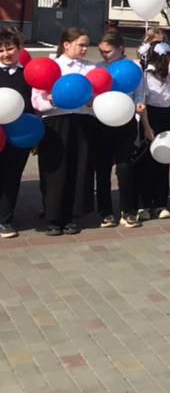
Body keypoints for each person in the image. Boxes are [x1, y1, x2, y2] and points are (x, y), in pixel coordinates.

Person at [32, 28, 99, 236]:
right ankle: (53, 217)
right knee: (55, 170)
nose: (85, 49)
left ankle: (71, 216)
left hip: (82, 122)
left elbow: (99, 94)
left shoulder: (91, 68)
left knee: (77, 169)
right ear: (66, 44)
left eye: (87, 45)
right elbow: (37, 99)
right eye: (81, 44)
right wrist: (52, 101)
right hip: (55, 122)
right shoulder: (52, 66)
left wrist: (92, 101)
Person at [92, 31, 141, 227]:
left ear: (121, 49)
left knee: (124, 167)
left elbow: (140, 92)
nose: (105, 55)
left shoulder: (133, 68)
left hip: (125, 121)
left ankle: (128, 210)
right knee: (102, 168)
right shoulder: (98, 68)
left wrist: (138, 107)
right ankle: (105, 211)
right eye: (102, 51)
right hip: (101, 121)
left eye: (109, 51)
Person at [137, 38, 170, 218]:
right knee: (146, 161)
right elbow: (143, 100)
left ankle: (161, 203)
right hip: (149, 116)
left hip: (165, 115)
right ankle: (145, 204)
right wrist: (147, 127)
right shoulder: (144, 73)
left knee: (163, 161)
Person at [0, 28, 33, 239]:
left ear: (20, 49)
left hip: (19, 136)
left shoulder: (28, 74)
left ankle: (5, 219)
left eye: (10, 48)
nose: (5, 54)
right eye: (1, 50)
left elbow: (33, 105)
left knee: (11, 177)